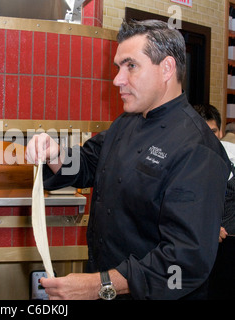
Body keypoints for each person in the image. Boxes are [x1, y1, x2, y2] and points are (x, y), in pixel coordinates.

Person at [26, 19, 231, 300]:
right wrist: (55, 154)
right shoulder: (127, 122)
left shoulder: (197, 149)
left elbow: (185, 262)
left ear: (167, 68)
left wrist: (99, 285)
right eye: (118, 67)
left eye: (131, 66)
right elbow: (86, 164)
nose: (117, 79)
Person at [193, 103, 235, 237]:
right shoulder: (184, 170)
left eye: (213, 132)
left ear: (221, 132)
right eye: (202, 132)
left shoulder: (231, 159)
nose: (209, 138)